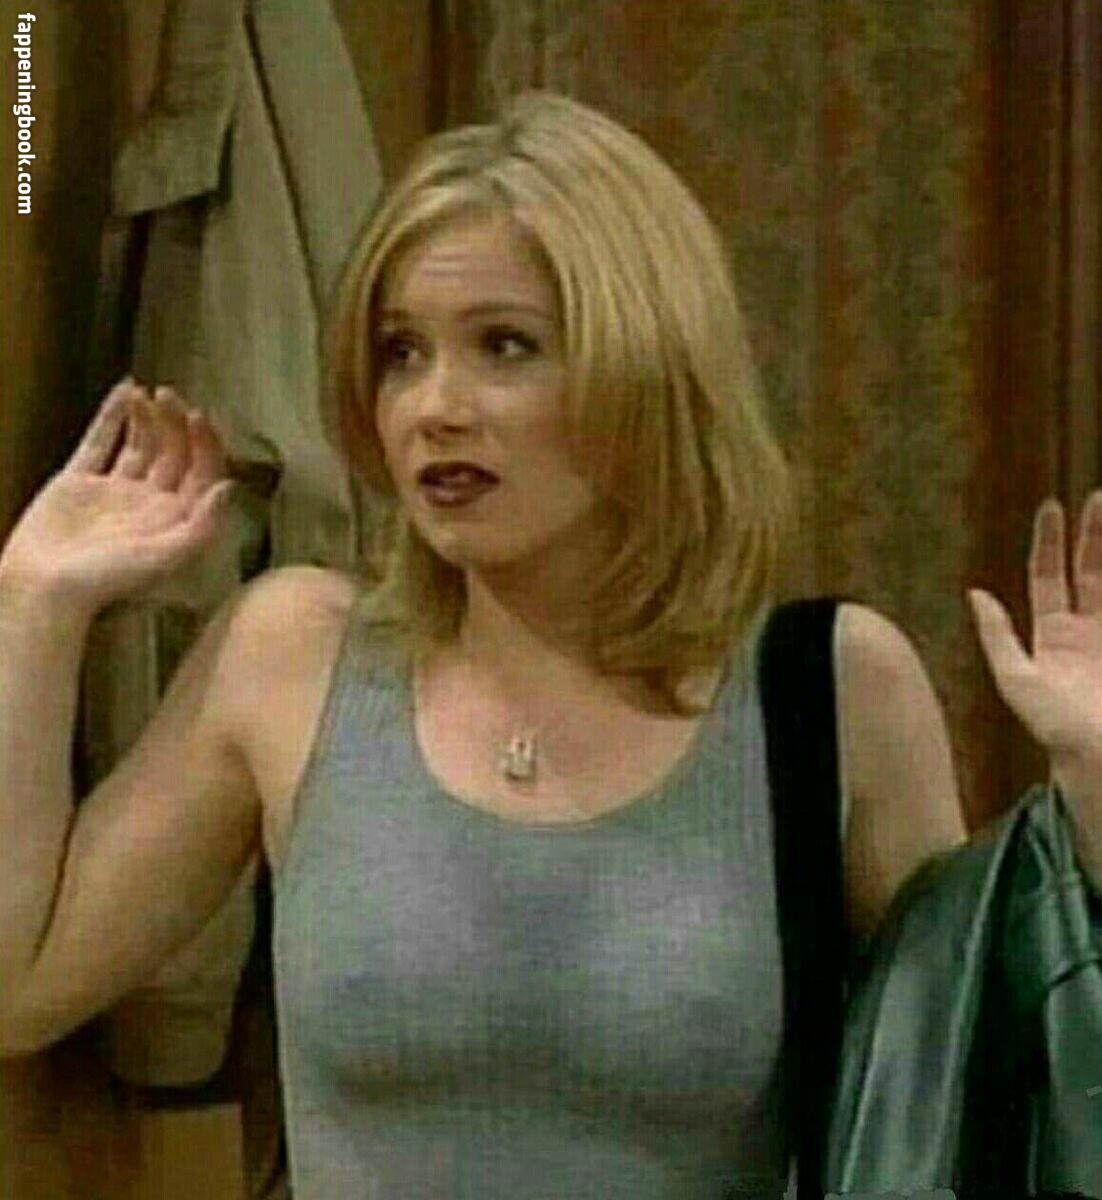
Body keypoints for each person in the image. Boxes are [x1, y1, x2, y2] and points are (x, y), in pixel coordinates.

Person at [0, 91, 1099, 1199]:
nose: (434, 406)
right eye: (401, 352)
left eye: (505, 347)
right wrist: (32, 606)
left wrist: (1097, 799)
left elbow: (983, 1091)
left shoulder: (831, 689)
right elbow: (18, 988)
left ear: (645, 367)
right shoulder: (291, 657)